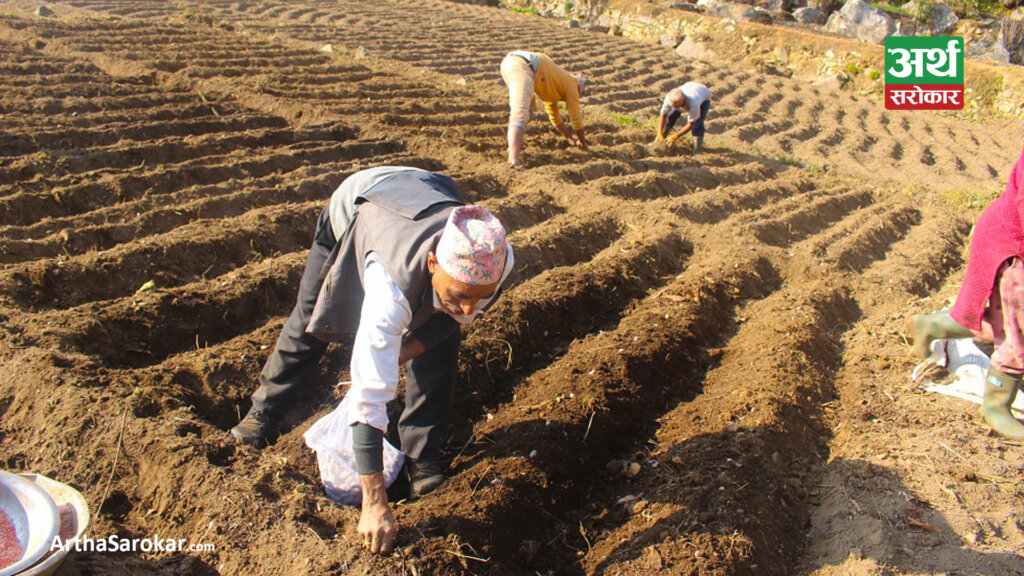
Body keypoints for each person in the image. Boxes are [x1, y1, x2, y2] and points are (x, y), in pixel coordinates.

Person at [230, 166, 514, 554]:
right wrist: (374, 501)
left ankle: (423, 458)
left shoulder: (493, 260)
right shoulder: (388, 292)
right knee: (311, 320)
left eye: (480, 297)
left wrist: (406, 349)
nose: (469, 307)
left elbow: (454, 317)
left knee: (440, 350)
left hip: (427, 191)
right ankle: (262, 412)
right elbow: (369, 395)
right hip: (356, 208)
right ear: (433, 263)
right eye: (460, 293)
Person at [908, 147, 1024, 439]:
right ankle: (996, 406)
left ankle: (934, 324)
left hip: (1007, 233)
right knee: (1018, 331)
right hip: (1013, 244)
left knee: (1004, 322)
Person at [500, 50, 588, 167]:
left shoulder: (556, 86)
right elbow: (576, 118)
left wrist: (569, 138)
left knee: (528, 110)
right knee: (520, 112)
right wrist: (583, 142)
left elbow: (554, 117)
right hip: (523, 65)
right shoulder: (572, 85)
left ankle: (512, 147)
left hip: (512, 64)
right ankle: (513, 161)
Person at [655, 82, 712, 155]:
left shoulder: (694, 103)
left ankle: (697, 150)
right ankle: (662, 138)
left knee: (697, 124)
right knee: (671, 116)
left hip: (703, 95)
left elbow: (691, 124)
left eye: (676, 106)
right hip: (690, 88)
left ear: (682, 102)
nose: (674, 106)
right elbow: (663, 115)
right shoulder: (670, 98)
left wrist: (675, 136)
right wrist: (659, 133)